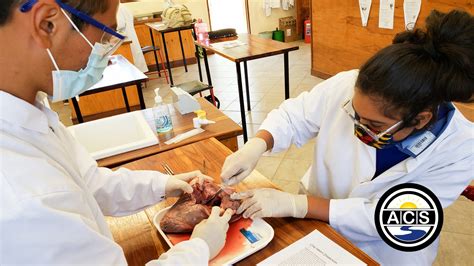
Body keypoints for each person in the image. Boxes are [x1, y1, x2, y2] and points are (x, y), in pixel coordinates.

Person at [221, 9, 473, 265]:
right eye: (355, 114)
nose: (358, 127)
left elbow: (393, 218)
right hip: (315, 230)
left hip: (382, 253)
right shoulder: (350, 85)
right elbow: (295, 115)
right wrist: (257, 144)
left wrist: (298, 205)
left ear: (420, 119)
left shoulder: (462, 147)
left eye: (374, 124)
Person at [0, 0, 232, 264]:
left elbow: (88, 182)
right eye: (103, 37)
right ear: (47, 23)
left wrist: (164, 184)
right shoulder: (19, 196)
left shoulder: (30, 111)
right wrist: (199, 247)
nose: (104, 56)